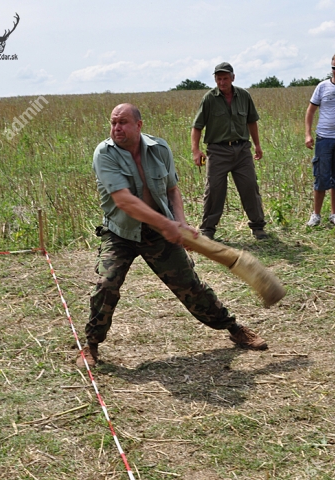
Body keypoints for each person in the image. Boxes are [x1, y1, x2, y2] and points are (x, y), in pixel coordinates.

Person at [77, 103, 268, 369]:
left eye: (122, 122)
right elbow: (125, 201)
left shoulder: (159, 148)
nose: (116, 128)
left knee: (190, 285)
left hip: (159, 230)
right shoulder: (105, 153)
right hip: (120, 233)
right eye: (113, 123)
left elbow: (172, 190)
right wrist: (167, 224)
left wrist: (180, 222)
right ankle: (91, 345)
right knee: (107, 285)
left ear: (138, 125)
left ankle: (234, 328)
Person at [191, 62, 268, 240]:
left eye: (225, 78)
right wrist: (196, 151)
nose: (222, 82)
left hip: (242, 150)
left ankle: (258, 226)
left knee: (249, 187)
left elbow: (252, 121)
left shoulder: (244, 96)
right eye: (218, 78)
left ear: (232, 78)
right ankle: (208, 230)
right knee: (215, 190)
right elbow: (197, 126)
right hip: (217, 151)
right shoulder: (209, 99)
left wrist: (257, 145)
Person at [305, 54, 335, 227]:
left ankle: (334, 214)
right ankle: (316, 215)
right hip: (324, 138)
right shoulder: (322, 87)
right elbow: (310, 111)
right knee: (321, 177)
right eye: (334, 67)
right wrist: (308, 134)